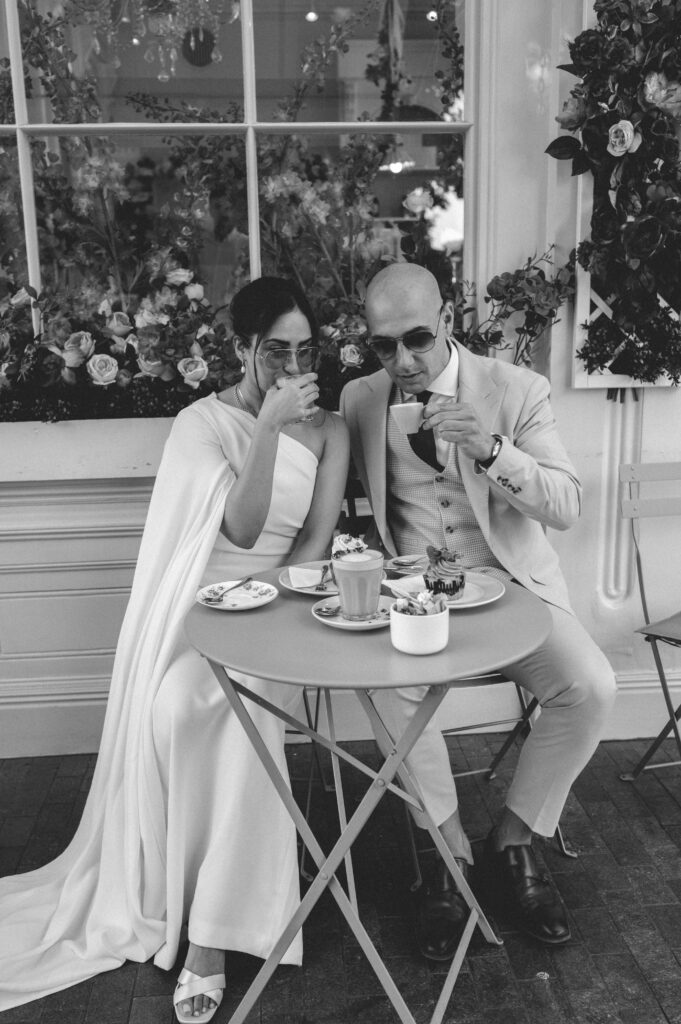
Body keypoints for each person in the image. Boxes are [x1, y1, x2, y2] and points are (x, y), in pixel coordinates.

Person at [0, 277, 349, 1022]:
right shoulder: (201, 422)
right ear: (240, 349)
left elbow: (312, 541)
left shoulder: (332, 430)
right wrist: (267, 430)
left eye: (304, 349)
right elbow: (243, 531)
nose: (292, 366)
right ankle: (184, 894)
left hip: (284, 611)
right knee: (178, 705)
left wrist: (283, 604)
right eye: (273, 351)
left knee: (232, 714)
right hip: (202, 609)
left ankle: (211, 942)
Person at [339, 262, 616, 959]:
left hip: (512, 589)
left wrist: (490, 449)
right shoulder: (361, 399)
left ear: (449, 324)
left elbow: (565, 505)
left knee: (589, 687)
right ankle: (448, 852)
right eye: (382, 346)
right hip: (416, 597)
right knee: (390, 688)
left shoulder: (514, 389)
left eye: (417, 340)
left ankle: (514, 840)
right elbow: (346, 504)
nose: (401, 361)